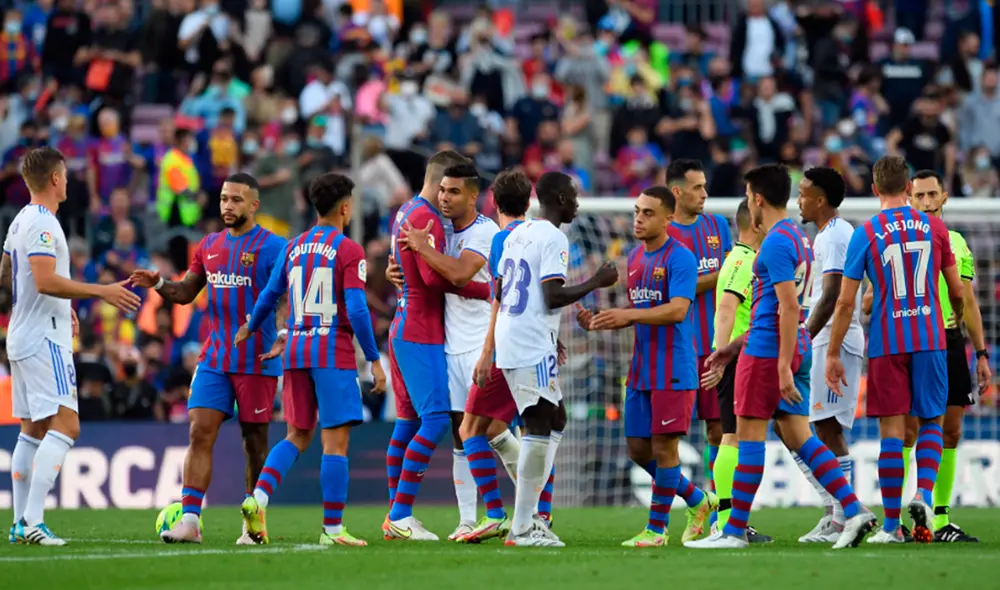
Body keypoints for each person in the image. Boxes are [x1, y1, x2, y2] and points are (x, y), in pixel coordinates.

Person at [689, 164, 875, 550]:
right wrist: (731, 348)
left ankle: (734, 531)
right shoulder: (798, 237)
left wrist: (780, 367)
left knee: (749, 438)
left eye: (747, 195)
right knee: (802, 438)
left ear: (757, 198)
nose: (746, 203)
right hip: (787, 348)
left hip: (769, 352)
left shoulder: (774, 242)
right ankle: (855, 510)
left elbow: (787, 309)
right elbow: (775, 305)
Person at [130, 173, 287, 545]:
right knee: (199, 431)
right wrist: (158, 284)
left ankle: (253, 521)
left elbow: (291, 296)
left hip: (258, 359)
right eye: (223, 199)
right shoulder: (209, 245)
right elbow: (185, 292)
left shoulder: (274, 247)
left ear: (254, 205)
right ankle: (190, 520)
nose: (228, 206)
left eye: (236, 200)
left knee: (255, 442)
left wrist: (283, 335)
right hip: (216, 357)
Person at [237, 173, 387, 547]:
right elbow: (355, 306)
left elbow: (271, 294)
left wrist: (251, 327)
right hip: (332, 352)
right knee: (335, 443)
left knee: (297, 434)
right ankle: (333, 530)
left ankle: (257, 499)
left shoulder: (294, 246)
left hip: (297, 351)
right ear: (345, 207)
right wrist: (373, 359)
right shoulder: (349, 250)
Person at [3, 147, 139, 545]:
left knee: (32, 429)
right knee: (66, 425)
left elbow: (7, 272)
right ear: (56, 179)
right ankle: (32, 522)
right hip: (44, 337)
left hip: (23, 333)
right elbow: (44, 280)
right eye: (65, 174)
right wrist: (101, 292)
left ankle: (18, 523)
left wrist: (61, 305)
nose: (68, 181)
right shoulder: (44, 224)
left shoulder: (20, 221)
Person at [826, 156, 966, 544]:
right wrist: (951, 318)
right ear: (909, 189)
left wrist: (834, 352)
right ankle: (922, 494)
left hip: (888, 342)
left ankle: (890, 526)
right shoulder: (935, 227)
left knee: (892, 433)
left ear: (874, 190)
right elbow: (957, 291)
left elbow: (844, 302)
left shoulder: (866, 232)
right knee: (932, 423)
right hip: (931, 338)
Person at [489, 171, 618, 547]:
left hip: (521, 336)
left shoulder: (518, 233)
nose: (578, 202)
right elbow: (551, 296)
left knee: (555, 416)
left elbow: (504, 287)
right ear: (560, 199)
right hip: (527, 342)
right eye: (574, 195)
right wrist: (597, 281)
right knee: (538, 424)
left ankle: (529, 518)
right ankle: (523, 526)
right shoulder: (554, 237)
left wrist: (549, 335)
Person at [576, 186, 701, 548]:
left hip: (673, 367)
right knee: (636, 450)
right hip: (642, 368)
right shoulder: (633, 259)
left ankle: (657, 530)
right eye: (636, 211)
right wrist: (600, 321)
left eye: (648, 213)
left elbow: (677, 310)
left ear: (668, 218)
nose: (639, 218)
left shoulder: (681, 258)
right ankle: (696, 499)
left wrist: (627, 314)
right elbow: (640, 314)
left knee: (665, 449)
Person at [383, 152, 492, 541]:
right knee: (433, 422)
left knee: (408, 423)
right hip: (421, 330)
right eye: (447, 188)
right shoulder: (427, 218)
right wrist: (483, 290)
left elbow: (407, 268)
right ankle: (401, 513)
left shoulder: (406, 211)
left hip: (403, 326)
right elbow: (432, 279)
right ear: (442, 181)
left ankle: (394, 514)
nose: (448, 198)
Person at [902, 170, 991, 543]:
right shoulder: (901, 238)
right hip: (907, 340)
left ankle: (939, 520)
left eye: (931, 195)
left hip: (949, 340)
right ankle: (898, 518)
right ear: (909, 199)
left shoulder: (956, 241)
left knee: (950, 431)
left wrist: (982, 353)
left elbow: (968, 300)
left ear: (944, 197)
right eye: (919, 195)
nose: (925, 202)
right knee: (906, 430)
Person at [792, 167, 866, 544]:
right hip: (829, 339)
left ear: (820, 199)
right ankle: (837, 511)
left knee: (826, 427)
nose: (798, 200)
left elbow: (835, 293)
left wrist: (805, 336)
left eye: (803, 193)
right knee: (818, 426)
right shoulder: (826, 235)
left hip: (835, 339)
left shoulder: (836, 236)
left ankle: (843, 516)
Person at [665, 159, 731, 509]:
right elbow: (674, 289)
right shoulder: (664, 233)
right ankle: (682, 507)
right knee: (666, 438)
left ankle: (725, 508)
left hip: (717, 347)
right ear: (677, 192)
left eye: (705, 186)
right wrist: (716, 277)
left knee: (719, 432)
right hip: (678, 351)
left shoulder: (718, 226)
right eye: (697, 187)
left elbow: (735, 276)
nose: (705, 194)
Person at [702, 198, 768, 542]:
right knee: (734, 437)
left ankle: (731, 520)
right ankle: (727, 521)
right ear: (756, 224)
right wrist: (720, 355)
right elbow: (727, 309)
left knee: (739, 437)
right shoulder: (744, 262)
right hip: (737, 359)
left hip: (739, 357)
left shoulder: (737, 259)